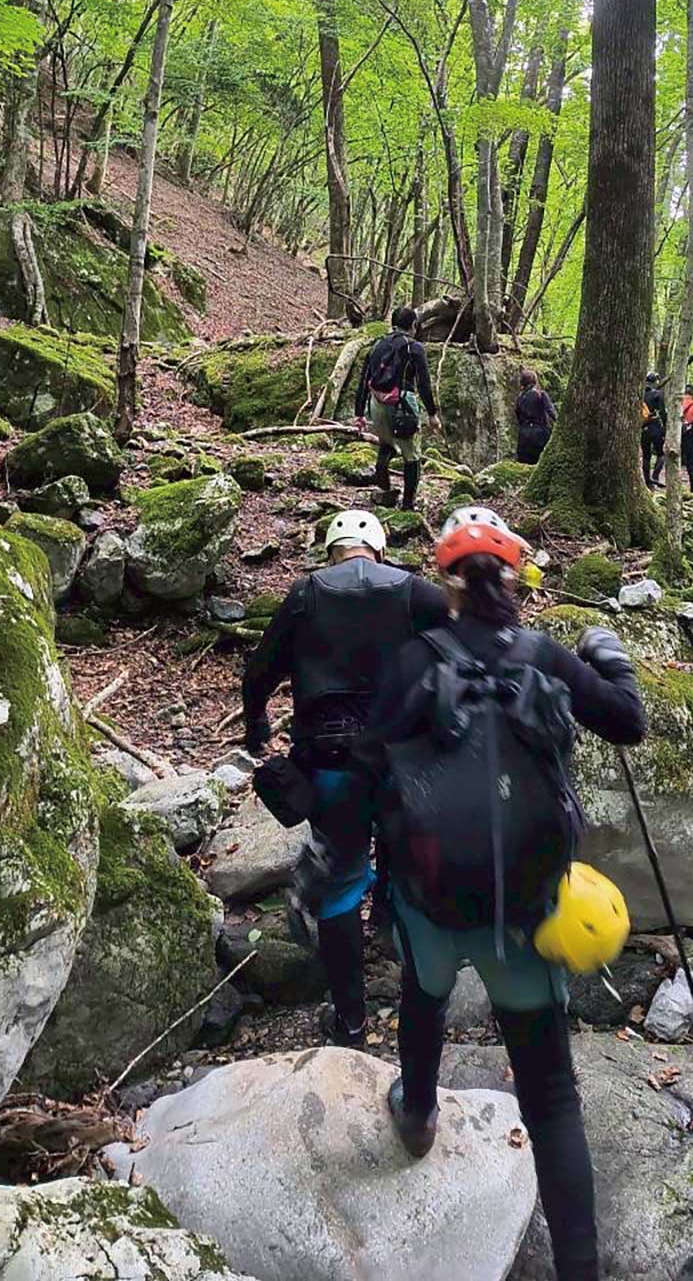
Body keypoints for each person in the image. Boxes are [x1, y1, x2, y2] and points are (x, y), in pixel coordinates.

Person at [362, 508, 645, 1281]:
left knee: (423, 996)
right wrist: (609, 656)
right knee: (550, 1094)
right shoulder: (545, 655)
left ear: (444, 578)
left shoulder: (415, 659)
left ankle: (416, 1107)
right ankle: (579, 1270)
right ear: (516, 577)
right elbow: (629, 721)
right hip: (525, 912)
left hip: (430, 898)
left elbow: (364, 765)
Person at [241, 508, 450, 1046]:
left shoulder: (306, 595)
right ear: (378, 548)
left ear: (331, 551)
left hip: (332, 763)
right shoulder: (416, 592)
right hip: (406, 762)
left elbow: (260, 670)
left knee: (339, 887)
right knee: (409, 877)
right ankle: (420, 1011)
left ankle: (351, 1022)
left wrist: (256, 724)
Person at [354, 306, 441, 510]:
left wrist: (359, 414)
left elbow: (364, 380)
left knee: (386, 444)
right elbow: (423, 384)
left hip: (376, 404)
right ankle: (408, 505)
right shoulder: (414, 347)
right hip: (402, 404)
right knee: (412, 455)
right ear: (413, 326)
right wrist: (432, 414)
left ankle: (385, 489)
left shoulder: (377, 345)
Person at [515, 366, 556, 464]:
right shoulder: (541, 394)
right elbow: (551, 412)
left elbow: (518, 416)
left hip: (524, 436)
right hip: (540, 433)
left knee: (525, 465)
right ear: (535, 381)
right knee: (541, 462)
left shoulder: (519, 399)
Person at [641, 371, 666, 489]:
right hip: (656, 427)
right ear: (655, 382)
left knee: (646, 456)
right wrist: (665, 428)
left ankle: (648, 481)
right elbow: (662, 413)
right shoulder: (658, 394)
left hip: (643, 428)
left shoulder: (641, 395)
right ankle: (655, 477)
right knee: (661, 454)